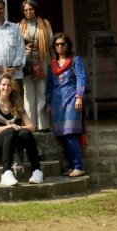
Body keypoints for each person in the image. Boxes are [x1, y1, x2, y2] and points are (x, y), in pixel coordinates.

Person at [0, 75, 43, 186]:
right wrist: (9, 126)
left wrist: (19, 127)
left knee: (25, 133)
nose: (6, 88)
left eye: (9, 85)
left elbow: (31, 127)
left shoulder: (16, 103)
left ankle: (37, 170)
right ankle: (6, 172)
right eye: (4, 85)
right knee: (9, 132)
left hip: (14, 139)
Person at [45, 32, 86, 177]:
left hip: (71, 100)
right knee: (62, 135)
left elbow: (81, 78)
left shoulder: (75, 61)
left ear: (67, 45)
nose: (60, 47)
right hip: (57, 103)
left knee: (70, 133)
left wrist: (79, 97)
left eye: (62, 44)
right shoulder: (52, 65)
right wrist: (48, 103)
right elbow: (49, 85)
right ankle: (70, 165)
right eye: (57, 44)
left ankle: (78, 166)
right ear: (54, 47)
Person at [19, 0, 53, 131]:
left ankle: (43, 125)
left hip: (42, 61)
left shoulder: (44, 24)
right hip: (26, 64)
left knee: (41, 92)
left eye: (31, 9)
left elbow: (50, 43)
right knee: (28, 94)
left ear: (35, 9)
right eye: (26, 10)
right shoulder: (19, 26)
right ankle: (31, 125)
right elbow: (16, 45)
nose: (28, 12)